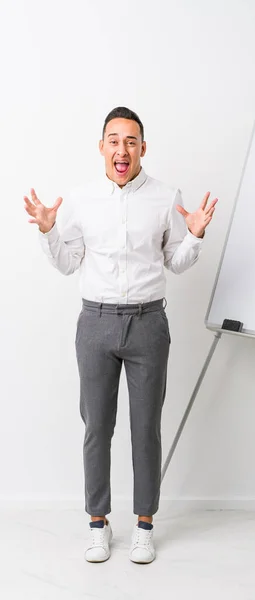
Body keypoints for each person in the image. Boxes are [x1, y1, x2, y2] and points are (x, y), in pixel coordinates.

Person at [23, 106, 217, 564]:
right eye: (113, 140)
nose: (122, 149)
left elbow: (176, 261)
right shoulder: (82, 198)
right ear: (102, 148)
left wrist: (194, 237)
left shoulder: (167, 196)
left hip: (149, 323)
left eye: (130, 141)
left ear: (143, 148)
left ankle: (144, 525)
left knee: (146, 429)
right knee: (97, 428)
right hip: (95, 323)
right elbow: (69, 263)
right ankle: (98, 523)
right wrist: (49, 231)